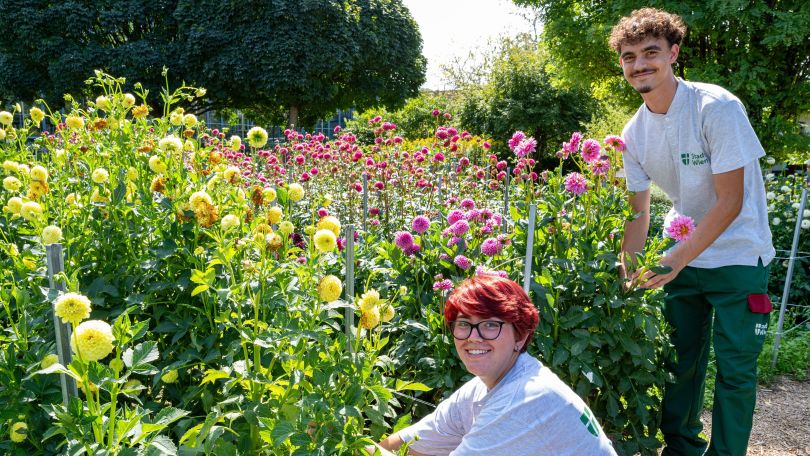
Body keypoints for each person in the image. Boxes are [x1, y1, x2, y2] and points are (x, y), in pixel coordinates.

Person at [611, 8, 775, 456]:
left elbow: (731, 201)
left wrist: (675, 258)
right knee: (679, 363)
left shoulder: (715, 107)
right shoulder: (633, 132)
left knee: (736, 370)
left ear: (674, 53)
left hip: (739, 255)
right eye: (629, 57)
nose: (639, 64)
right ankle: (682, 448)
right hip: (681, 253)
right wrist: (627, 271)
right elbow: (639, 213)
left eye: (650, 53)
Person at [366, 274, 616, 455]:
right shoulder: (483, 388)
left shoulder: (524, 398)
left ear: (520, 335)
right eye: (463, 324)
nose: (474, 336)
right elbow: (408, 445)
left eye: (490, 325)